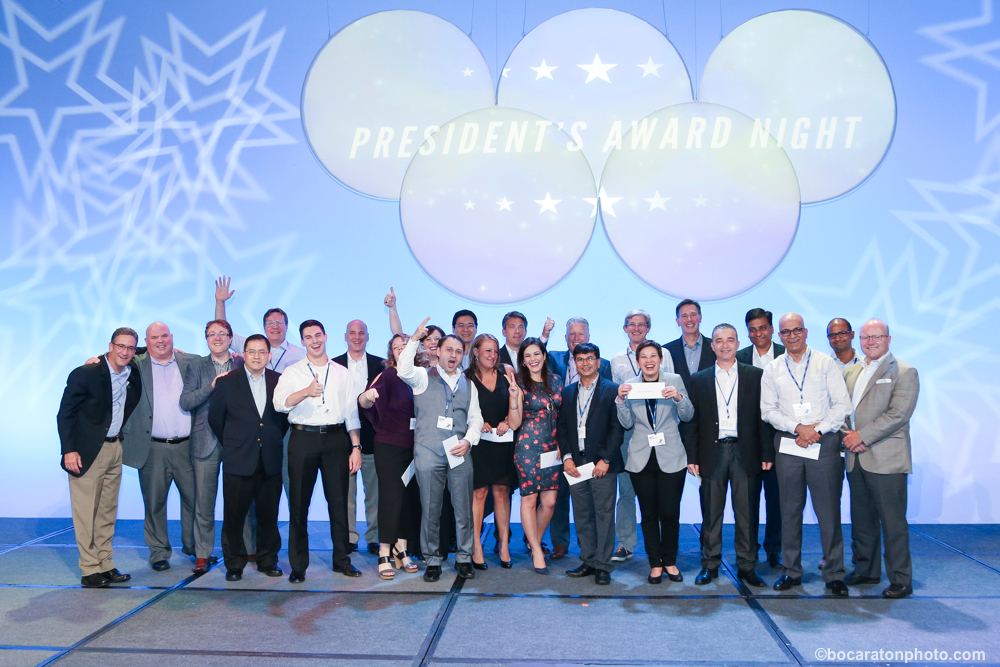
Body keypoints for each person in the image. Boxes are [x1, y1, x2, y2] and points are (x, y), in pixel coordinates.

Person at [761, 313, 852, 596]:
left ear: (806, 331)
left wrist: (816, 430)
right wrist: (798, 428)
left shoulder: (825, 363)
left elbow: (842, 405)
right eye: (786, 332)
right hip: (789, 444)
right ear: (779, 336)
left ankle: (834, 573)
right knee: (789, 511)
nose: (792, 336)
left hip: (823, 443)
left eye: (796, 330)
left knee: (828, 511)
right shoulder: (773, 368)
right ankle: (791, 571)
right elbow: (768, 410)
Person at [273, 320, 363, 583]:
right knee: (299, 504)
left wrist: (356, 447)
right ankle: (298, 566)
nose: (314, 340)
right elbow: (279, 404)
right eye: (308, 337)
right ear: (302, 341)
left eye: (317, 335)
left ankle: (342, 560)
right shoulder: (292, 372)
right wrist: (305, 392)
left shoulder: (342, 373)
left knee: (339, 503)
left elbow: (351, 414)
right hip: (303, 438)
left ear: (325, 336)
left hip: (336, 440)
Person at [683, 324, 772, 588]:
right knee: (711, 513)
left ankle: (747, 566)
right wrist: (692, 456)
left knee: (747, 514)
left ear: (738, 344)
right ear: (712, 346)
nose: (725, 345)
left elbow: (763, 418)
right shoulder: (699, 378)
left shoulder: (755, 375)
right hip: (712, 452)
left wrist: (767, 452)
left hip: (747, 451)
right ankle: (710, 565)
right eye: (719, 341)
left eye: (730, 340)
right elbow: (692, 422)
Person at [397, 318, 485, 582]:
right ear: (438, 351)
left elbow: (476, 418)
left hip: (459, 452)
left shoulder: (469, 384)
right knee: (431, 509)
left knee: (463, 509)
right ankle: (432, 560)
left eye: (458, 351)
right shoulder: (422, 377)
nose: (453, 355)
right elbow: (403, 370)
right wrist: (414, 340)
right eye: (448, 350)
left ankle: (464, 558)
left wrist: (468, 440)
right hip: (428, 451)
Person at [58, 327, 143, 588]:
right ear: (110, 346)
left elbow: (143, 350)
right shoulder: (86, 373)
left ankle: (105, 563)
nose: (125, 352)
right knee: (86, 512)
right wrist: (69, 450)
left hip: (115, 447)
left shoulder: (131, 371)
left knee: (107, 511)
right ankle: (89, 569)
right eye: (121, 346)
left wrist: (173, 349)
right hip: (86, 451)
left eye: (130, 348)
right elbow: (65, 414)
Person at [841, 320, 919, 599]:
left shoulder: (904, 371)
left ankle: (900, 579)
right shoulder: (851, 370)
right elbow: (842, 410)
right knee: (862, 521)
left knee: (892, 523)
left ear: (888, 339)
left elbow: (898, 414)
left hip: (886, 458)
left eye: (877, 336)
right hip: (855, 457)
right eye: (865, 337)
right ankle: (866, 570)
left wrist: (862, 436)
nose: (870, 342)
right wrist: (848, 436)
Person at [208, 335, 289, 581]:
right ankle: (234, 564)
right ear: (243, 354)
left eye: (262, 352)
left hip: (270, 459)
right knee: (234, 516)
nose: (256, 356)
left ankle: (268, 560)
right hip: (238, 458)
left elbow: (283, 420)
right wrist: (235, 443)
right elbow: (215, 419)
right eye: (251, 351)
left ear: (269, 355)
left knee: (269, 515)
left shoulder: (279, 380)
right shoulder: (227, 382)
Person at [122, 322, 201, 571]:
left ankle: (194, 547)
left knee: (194, 500)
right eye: (154, 337)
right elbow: (118, 352)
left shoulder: (191, 362)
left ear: (172, 337)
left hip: (188, 447)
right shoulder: (136, 364)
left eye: (164, 336)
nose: (161, 341)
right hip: (152, 448)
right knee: (154, 503)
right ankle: (158, 552)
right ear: (146, 342)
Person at [616, 340, 694, 584]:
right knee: (648, 514)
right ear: (638, 361)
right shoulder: (630, 385)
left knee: (670, 513)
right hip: (641, 458)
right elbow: (627, 423)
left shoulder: (674, 380)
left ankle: (670, 561)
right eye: (644, 357)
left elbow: (688, 415)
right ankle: (655, 564)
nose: (649, 361)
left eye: (653, 356)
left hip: (671, 456)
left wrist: (679, 398)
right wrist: (620, 401)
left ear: (660, 359)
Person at [179, 319, 244, 574]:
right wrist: (212, 386)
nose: (217, 338)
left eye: (222, 334)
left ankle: (244, 549)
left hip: (237, 442)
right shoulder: (196, 366)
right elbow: (186, 402)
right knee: (204, 504)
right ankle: (202, 554)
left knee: (240, 502)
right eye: (211, 334)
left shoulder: (242, 362)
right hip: (204, 441)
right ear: (206, 338)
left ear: (230, 338)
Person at [609, 309, 674, 563]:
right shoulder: (616, 360)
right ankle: (625, 543)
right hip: (630, 433)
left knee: (658, 495)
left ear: (648, 328)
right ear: (625, 328)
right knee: (626, 492)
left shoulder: (664, 354)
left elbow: (671, 387)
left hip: (660, 432)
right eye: (631, 324)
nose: (636, 328)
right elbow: (616, 397)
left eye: (641, 324)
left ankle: (660, 546)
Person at [557, 343, 624, 585]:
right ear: (575, 363)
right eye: (580, 359)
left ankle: (603, 565)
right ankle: (588, 560)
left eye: (590, 358)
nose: (585, 363)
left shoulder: (612, 390)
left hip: (602, 464)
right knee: (582, 513)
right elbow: (562, 428)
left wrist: (606, 459)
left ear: (598, 362)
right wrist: (566, 457)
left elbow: (617, 428)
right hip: (576, 464)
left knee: (604, 514)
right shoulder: (567, 392)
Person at [358, 334, 422, 579]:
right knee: (390, 497)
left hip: (414, 448)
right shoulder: (388, 375)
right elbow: (364, 400)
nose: (400, 350)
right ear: (391, 354)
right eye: (396, 347)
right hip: (389, 445)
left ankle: (401, 549)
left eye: (404, 345)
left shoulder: (421, 376)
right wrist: (367, 397)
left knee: (406, 499)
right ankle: (384, 551)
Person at [507, 337, 562, 574]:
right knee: (530, 500)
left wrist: (562, 444)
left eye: (536, 354)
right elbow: (514, 423)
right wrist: (513, 397)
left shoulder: (556, 381)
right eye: (527, 355)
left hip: (553, 447)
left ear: (544, 356)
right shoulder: (519, 383)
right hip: (528, 447)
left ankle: (533, 541)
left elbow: (562, 415)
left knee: (549, 502)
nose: (533, 359)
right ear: (523, 360)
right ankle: (537, 551)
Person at [736, 308, 785, 569]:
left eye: (763, 328)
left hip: (781, 438)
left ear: (772, 329)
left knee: (777, 499)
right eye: (753, 329)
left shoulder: (786, 354)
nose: (758, 333)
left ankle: (775, 548)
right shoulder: (739, 357)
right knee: (748, 500)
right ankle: (749, 549)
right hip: (749, 440)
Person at [465, 334, 517, 569]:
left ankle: (504, 545)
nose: (493, 355)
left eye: (495, 351)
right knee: (479, 494)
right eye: (487, 350)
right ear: (476, 352)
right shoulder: (466, 377)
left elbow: (517, 402)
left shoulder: (507, 371)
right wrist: (476, 423)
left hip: (504, 442)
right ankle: (476, 546)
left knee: (503, 492)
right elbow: (460, 409)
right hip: (479, 444)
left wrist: (507, 419)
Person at [333, 319, 384, 555]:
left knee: (375, 492)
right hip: (342, 438)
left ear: (368, 336)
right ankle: (349, 537)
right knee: (345, 493)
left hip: (373, 437)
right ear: (345, 336)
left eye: (361, 333)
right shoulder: (333, 365)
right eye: (352, 333)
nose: (357, 337)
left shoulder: (380, 365)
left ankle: (375, 537)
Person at [214, 276, 306, 373]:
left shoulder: (300, 355)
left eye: (279, 322)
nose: (275, 326)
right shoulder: (249, 345)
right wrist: (220, 302)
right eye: (270, 323)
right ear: (264, 327)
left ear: (287, 326)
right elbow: (223, 330)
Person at [664, 299, 716, 390]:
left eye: (693, 314)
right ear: (678, 321)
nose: (689, 319)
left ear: (700, 318)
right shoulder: (666, 351)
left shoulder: (715, 347)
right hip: (678, 399)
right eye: (684, 316)